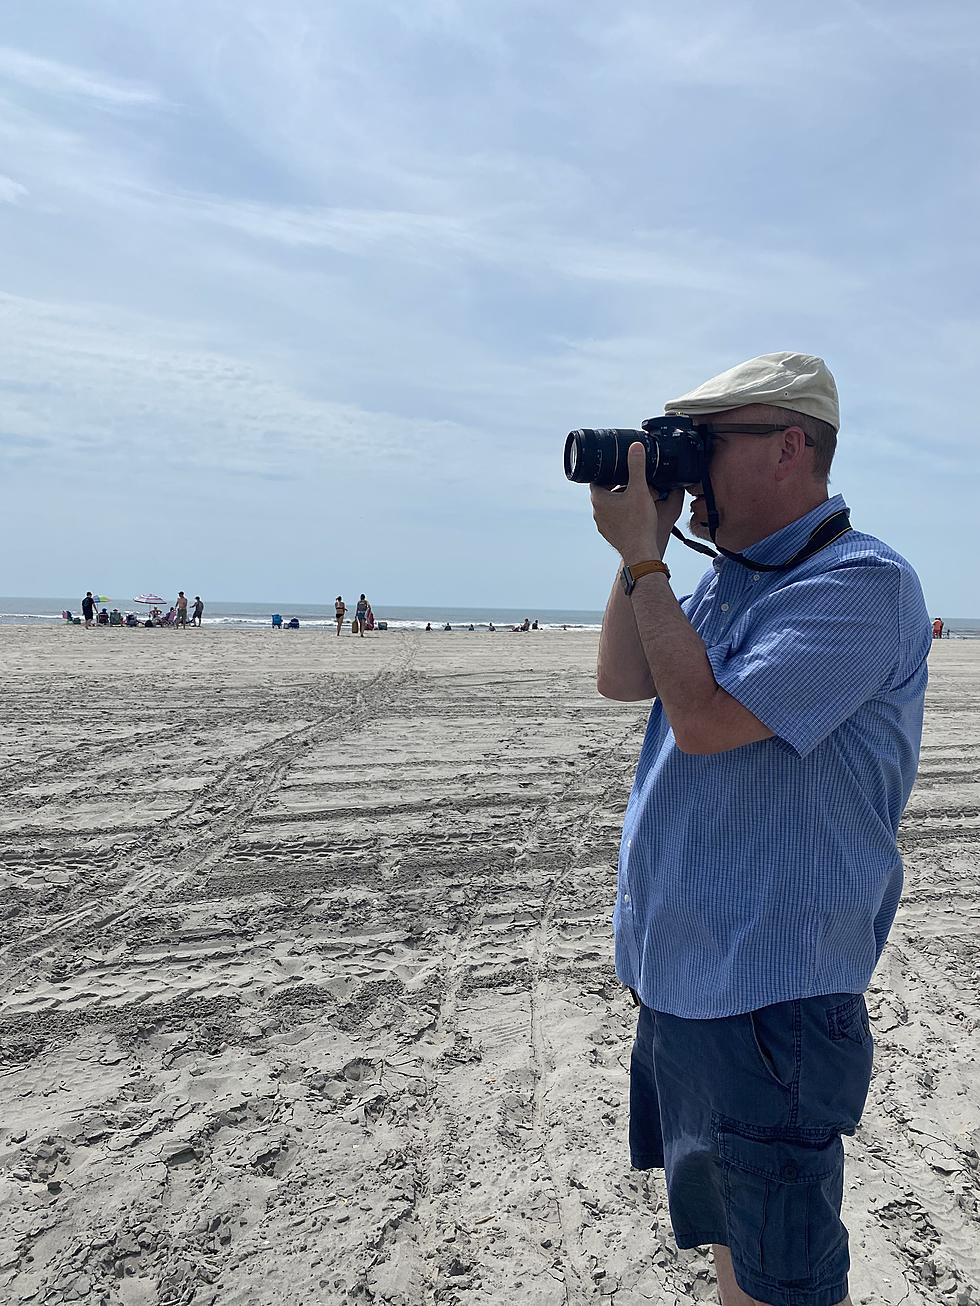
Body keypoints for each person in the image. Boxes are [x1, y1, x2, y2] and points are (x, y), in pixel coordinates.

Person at [588, 352, 930, 1306]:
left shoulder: (860, 585)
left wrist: (653, 560)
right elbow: (625, 679)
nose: (686, 467)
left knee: (788, 1279)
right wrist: (639, 553)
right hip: (689, 985)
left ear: (791, 447)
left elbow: (699, 722)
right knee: (735, 1246)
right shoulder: (732, 579)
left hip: (772, 998)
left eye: (706, 445)